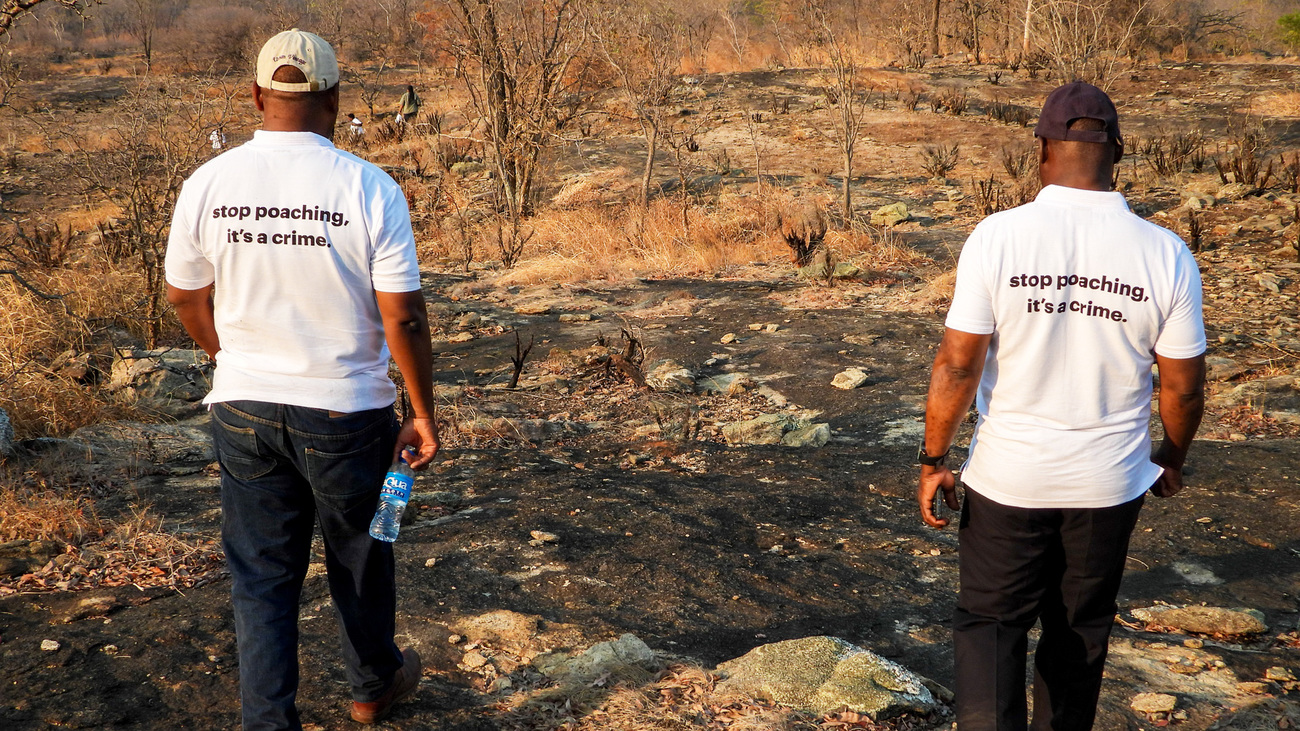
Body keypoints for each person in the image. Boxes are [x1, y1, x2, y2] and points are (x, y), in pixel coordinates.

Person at [164, 29, 440, 730]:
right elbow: (403, 316)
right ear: (334, 97)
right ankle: (372, 686)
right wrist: (422, 412)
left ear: (257, 96)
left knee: (262, 577)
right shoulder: (369, 186)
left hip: (244, 406)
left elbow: (184, 296)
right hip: (347, 410)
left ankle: (269, 721)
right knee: (361, 554)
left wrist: (227, 353)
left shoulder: (209, 182)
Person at [917, 81, 1205, 730]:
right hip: (1107, 482)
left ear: (1041, 149)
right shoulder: (1166, 253)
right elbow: (1183, 387)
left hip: (1008, 478)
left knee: (991, 625)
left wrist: (934, 459)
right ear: (1118, 152)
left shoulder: (998, 236)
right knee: (1078, 629)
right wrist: (1171, 455)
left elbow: (958, 364)